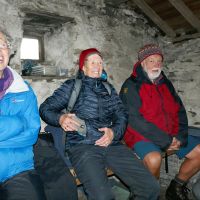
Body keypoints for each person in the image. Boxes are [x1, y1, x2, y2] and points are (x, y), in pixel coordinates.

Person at [39, 48, 160, 200]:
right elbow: (45, 109)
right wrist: (60, 118)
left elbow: (122, 114)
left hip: (111, 144)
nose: (97, 65)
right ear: (83, 67)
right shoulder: (72, 86)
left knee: (150, 187)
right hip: (82, 146)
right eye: (93, 62)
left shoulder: (108, 88)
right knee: (102, 196)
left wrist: (113, 132)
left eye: (100, 62)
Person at [120, 44, 200, 200]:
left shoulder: (165, 83)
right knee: (154, 159)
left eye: (159, 61)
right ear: (142, 63)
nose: (156, 64)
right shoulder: (131, 85)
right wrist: (166, 140)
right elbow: (134, 120)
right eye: (151, 61)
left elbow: (180, 111)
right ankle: (149, 193)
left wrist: (180, 136)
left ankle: (176, 187)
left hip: (170, 134)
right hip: (141, 135)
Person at [0, 30, 46, 199]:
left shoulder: (23, 90)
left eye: (3, 45)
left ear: (9, 52)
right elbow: (23, 126)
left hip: (18, 168)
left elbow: (32, 133)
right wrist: (17, 123)